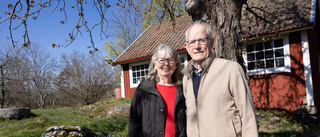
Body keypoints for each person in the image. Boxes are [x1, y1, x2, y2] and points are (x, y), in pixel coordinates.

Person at [181, 21, 259, 137]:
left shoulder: (231, 70)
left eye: (202, 40)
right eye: (192, 42)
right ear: (187, 47)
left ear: (211, 43)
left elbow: (248, 115)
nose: (197, 46)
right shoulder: (186, 78)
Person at [129, 44, 187, 137]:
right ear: (155, 64)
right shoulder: (144, 89)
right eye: (162, 60)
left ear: (176, 65)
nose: (166, 64)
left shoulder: (183, 90)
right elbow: (134, 123)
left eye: (170, 60)